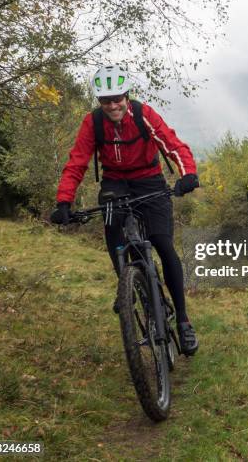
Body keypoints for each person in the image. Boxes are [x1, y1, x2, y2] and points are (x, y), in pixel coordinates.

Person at [51, 64, 199, 356]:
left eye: (117, 98)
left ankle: (182, 320)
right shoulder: (92, 123)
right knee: (114, 228)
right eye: (106, 100)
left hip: (150, 181)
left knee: (163, 245)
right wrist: (64, 202)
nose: (112, 105)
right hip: (115, 183)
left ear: (126, 96)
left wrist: (188, 174)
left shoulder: (144, 115)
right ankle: (126, 285)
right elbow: (77, 161)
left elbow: (173, 145)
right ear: (98, 101)